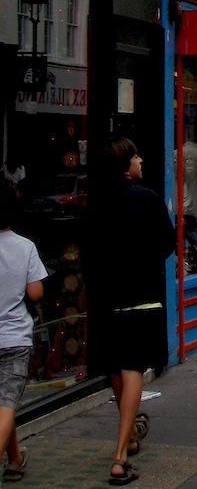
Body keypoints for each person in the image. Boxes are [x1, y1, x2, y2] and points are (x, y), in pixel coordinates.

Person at [88, 137, 176, 486]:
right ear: (126, 165)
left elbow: (91, 249)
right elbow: (168, 242)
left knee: (116, 368)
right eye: (137, 156)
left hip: (109, 297)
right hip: (142, 294)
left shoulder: (97, 203)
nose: (141, 160)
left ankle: (130, 435)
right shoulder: (148, 198)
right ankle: (120, 456)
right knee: (134, 368)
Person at [0, 182, 47, 485]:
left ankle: (14, 458)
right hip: (14, 338)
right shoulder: (25, 246)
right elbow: (36, 291)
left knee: (3, 400)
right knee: (6, 403)